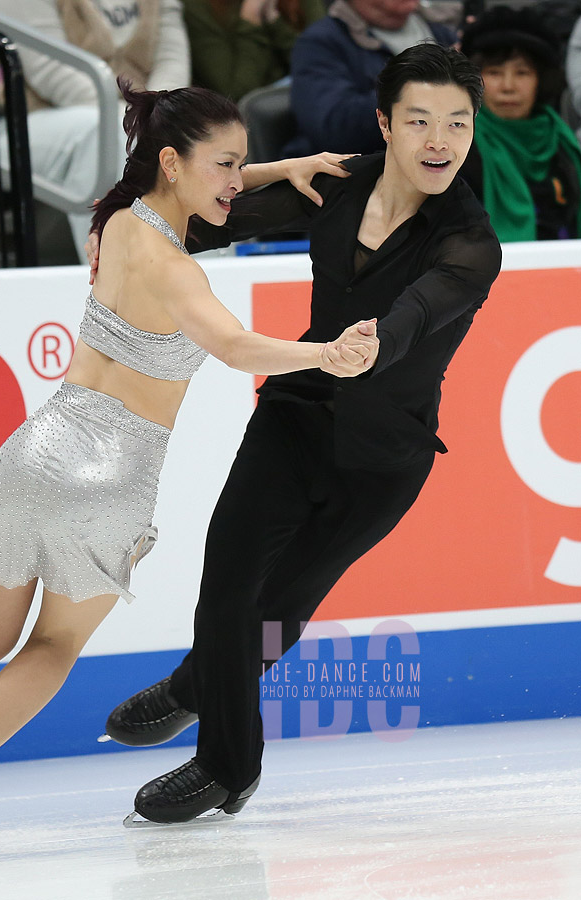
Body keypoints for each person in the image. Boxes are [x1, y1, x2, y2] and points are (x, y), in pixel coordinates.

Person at [0, 81, 376, 848]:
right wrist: (326, 354)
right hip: (109, 483)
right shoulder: (179, 272)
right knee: (51, 648)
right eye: (226, 165)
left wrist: (273, 168)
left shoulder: (120, 223)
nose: (235, 181)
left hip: (36, 451)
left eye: (240, 166)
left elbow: (191, 191)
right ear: (173, 160)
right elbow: (234, 348)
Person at [95, 43, 502, 825]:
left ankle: (192, 687)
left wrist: (374, 340)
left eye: (458, 122)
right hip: (295, 416)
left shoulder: (470, 241)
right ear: (385, 124)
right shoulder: (334, 184)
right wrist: (268, 175)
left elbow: (418, 313)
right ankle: (227, 768)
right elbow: (201, 221)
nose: (440, 140)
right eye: (419, 120)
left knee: (276, 607)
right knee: (226, 588)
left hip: (382, 460)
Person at [0, 0, 191, 262]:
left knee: (192, 135)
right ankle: (110, 278)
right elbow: (53, 72)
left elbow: (172, 60)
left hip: (138, 119)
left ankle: (196, 276)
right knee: (107, 134)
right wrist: (140, 120)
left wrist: (159, 115)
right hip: (24, 122)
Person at [460, 5, 581, 241]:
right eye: (494, 73)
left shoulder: (562, 141)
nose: (508, 87)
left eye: (522, 73)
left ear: (541, 79)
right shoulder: (459, 147)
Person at [283, 0, 457, 156]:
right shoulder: (320, 44)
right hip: (355, 175)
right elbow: (333, 129)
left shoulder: (442, 31)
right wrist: (421, 88)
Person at [181, 0, 326, 102]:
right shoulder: (196, 7)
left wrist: (275, 22)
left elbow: (323, 64)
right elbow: (236, 94)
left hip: (312, 98)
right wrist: (251, 20)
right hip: (252, 121)